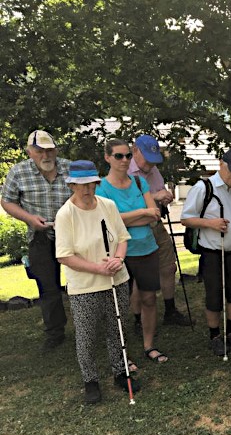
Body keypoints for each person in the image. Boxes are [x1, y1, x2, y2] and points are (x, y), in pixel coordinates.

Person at [54, 161, 140, 404]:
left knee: (118, 329)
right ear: (71, 185)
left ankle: (121, 372)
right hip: (85, 287)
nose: (86, 189)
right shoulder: (65, 214)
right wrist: (97, 268)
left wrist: (118, 259)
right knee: (86, 335)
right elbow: (64, 255)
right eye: (80, 185)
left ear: (96, 182)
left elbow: (122, 238)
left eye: (90, 183)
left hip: (116, 279)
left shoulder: (108, 206)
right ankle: (90, 380)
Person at [97, 139, 167, 364]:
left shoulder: (138, 182)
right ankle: (122, 353)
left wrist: (128, 218)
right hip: (121, 253)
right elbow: (110, 222)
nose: (125, 160)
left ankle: (149, 346)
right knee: (120, 305)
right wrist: (141, 214)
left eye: (128, 155)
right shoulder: (102, 188)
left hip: (147, 249)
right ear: (107, 158)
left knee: (149, 299)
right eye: (119, 156)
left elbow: (154, 213)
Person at [1, 130, 71, 351]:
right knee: (48, 286)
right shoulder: (18, 172)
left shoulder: (70, 167)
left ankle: (90, 324)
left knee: (82, 281)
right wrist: (30, 219)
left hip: (73, 234)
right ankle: (55, 333)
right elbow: (7, 201)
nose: (45, 155)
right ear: (30, 152)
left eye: (49, 150)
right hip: (40, 236)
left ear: (56, 150)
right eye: (39, 151)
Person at [181, 148, 231, 356]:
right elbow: (186, 218)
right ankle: (215, 335)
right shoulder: (204, 187)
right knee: (214, 295)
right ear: (221, 164)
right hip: (214, 252)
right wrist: (210, 223)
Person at [127, 134, 192, 329]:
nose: (150, 164)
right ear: (135, 150)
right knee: (139, 276)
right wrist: (156, 196)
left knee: (169, 267)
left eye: (154, 160)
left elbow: (158, 192)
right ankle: (139, 320)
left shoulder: (153, 170)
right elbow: (127, 203)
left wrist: (165, 198)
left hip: (156, 224)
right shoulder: (125, 170)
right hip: (135, 227)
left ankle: (170, 311)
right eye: (147, 158)